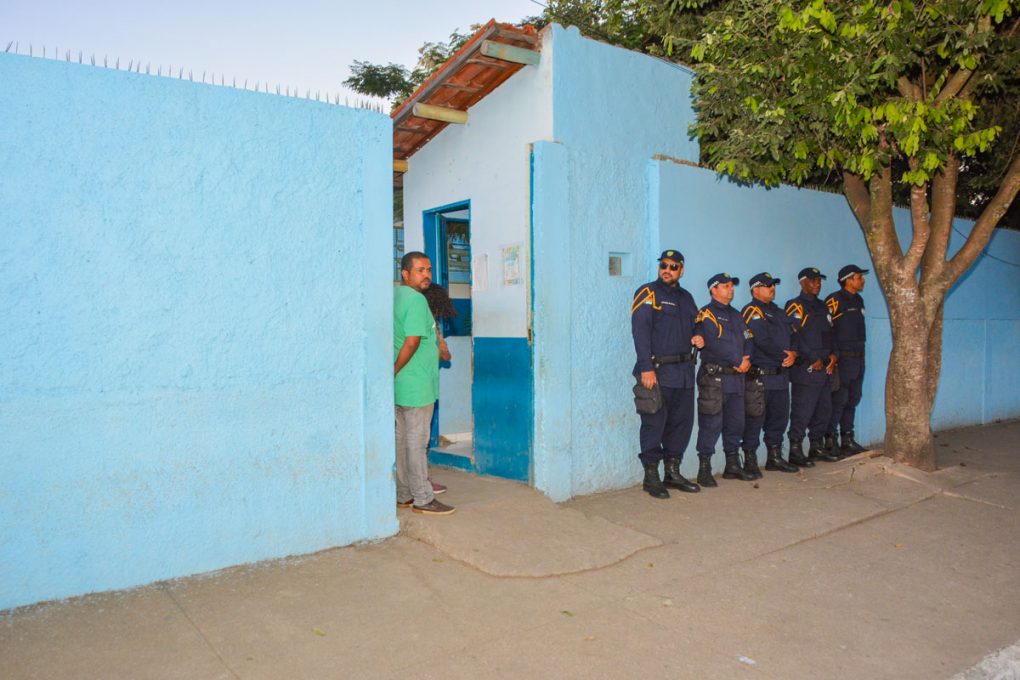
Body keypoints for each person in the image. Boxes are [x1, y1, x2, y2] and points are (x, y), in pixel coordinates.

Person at [630, 249, 703, 499]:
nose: (667, 270)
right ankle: (651, 476)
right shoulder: (648, 293)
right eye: (664, 265)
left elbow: (697, 322)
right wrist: (645, 368)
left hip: (683, 373)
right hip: (657, 372)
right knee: (654, 424)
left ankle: (672, 472)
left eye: (673, 267)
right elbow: (640, 332)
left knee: (681, 425)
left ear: (681, 270)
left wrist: (699, 335)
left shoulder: (687, 297)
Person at [393, 252, 455, 515]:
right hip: (416, 384)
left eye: (429, 269)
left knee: (402, 442)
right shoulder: (417, 300)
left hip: (400, 385)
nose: (427, 274)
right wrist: (394, 369)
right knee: (417, 444)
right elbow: (413, 341)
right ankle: (423, 499)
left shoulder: (395, 296)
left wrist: (392, 374)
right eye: (420, 270)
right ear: (405, 274)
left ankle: (404, 494)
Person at [693, 273, 755, 487]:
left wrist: (746, 358)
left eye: (732, 286)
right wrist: (737, 359)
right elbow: (713, 342)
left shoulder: (737, 315)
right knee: (711, 424)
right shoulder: (706, 313)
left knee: (736, 424)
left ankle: (732, 465)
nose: (731, 290)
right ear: (714, 289)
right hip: (715, 379)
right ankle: (704, 469)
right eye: (726, 286)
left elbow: (749, 338)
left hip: (736, 378)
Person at [740, 272, 800, 475]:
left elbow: (794, 336)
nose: (772, 288)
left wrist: (794, 353)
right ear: (755, 289)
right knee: (755, 419)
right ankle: (749, 459)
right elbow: (760, 340)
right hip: (760, 376)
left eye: (773, 285)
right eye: (767, 286)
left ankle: (774, 457)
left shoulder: (780, 312)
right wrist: (784, 355)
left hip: (780, 375)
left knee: (779, 418)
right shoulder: (751, 311)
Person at [784, 267, 839, 465]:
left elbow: (831, 334)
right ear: (802, 282)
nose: (817, 283)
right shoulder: (795, 305)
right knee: (803, 410)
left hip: (825, 367)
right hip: (806, 368)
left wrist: (834, 355)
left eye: (819, 281)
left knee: (824, 409)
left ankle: (816, 447)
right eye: (812, 280)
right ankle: (795, 450)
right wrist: (812, 357)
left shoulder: (823, 307)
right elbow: (794, 336)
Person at [825, 264, 869, 456]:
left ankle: (847, 439)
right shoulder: (834, 300)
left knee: (853, 399)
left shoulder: (859, 300)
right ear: (849, 280)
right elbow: (827, 330)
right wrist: (833, 356)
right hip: (843, 359)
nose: (862, 280)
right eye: (859, 277)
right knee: (839, 400)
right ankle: (830, 440)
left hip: (859, 358)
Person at [421, 283, 455, 495]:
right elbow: (446, 355)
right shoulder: (430, 322)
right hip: (421, 384)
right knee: (419, 439)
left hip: (409, 382)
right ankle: (423, 483)